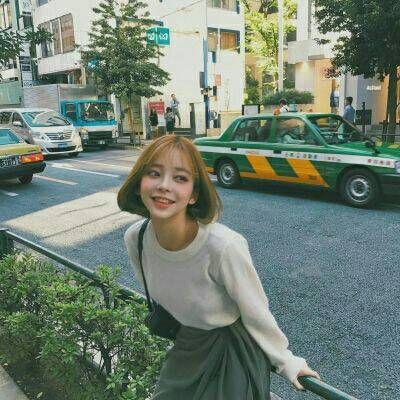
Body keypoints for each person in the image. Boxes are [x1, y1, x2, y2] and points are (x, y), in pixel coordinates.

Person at [118, 135, 320, 399]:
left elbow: (256, 312)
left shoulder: (223, 246)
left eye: (180, 178)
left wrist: (286, 361)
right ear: (138, 184)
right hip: (187, 345)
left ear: (194, 195)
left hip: (232, 351)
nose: (164, 186)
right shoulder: (136, 239)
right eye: (154, 173)